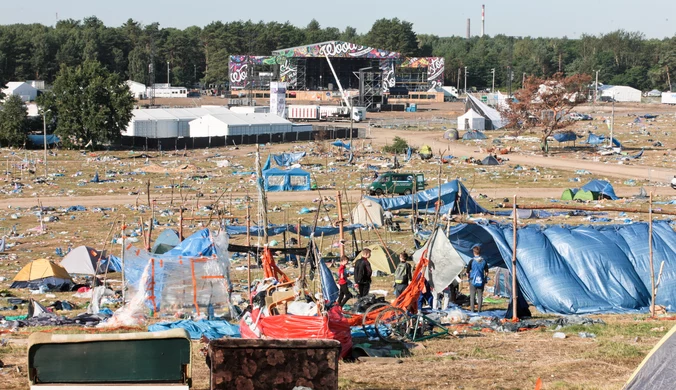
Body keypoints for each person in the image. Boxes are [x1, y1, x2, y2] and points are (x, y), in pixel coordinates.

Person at [466, 245, 489, 312]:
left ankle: (472, 310)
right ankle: (479, 310)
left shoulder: (472, 261)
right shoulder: (484, 261)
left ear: (474, 252)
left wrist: (469, 278)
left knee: (472, 296)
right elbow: (487, 272)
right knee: (480, 296)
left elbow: (467, 271)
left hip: (473, 280)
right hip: (481, 280)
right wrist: (485, 278)